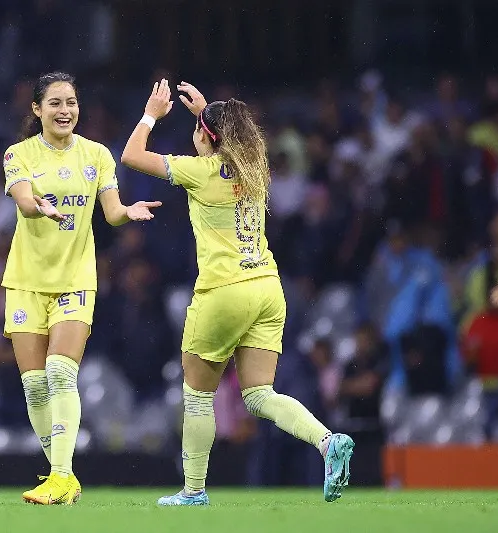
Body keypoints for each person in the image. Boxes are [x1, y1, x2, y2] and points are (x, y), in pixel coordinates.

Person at [120, 79, 354, 505]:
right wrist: (207, 115)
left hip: (223, 291)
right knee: (261, 394)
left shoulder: (201, 171)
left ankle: (193, 491)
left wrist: (152, 113)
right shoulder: (256, 167)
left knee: (196, 394)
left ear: (205, 138)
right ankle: (327, 442)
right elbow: (228, 140)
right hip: (267, 288)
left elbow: (132, 156)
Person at [2, 72, 161, 505]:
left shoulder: (97, 155)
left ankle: (59, 475)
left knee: (59, 372)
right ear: (37, 110)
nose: (65, 110)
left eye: (71, 102)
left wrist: (129, 211)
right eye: (54, 103)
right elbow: (22, 198)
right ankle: (64, 477)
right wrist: (39, 205)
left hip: (75, 278)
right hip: (25, 281)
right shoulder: (18, 154)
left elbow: (110, 214)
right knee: (35, 386)